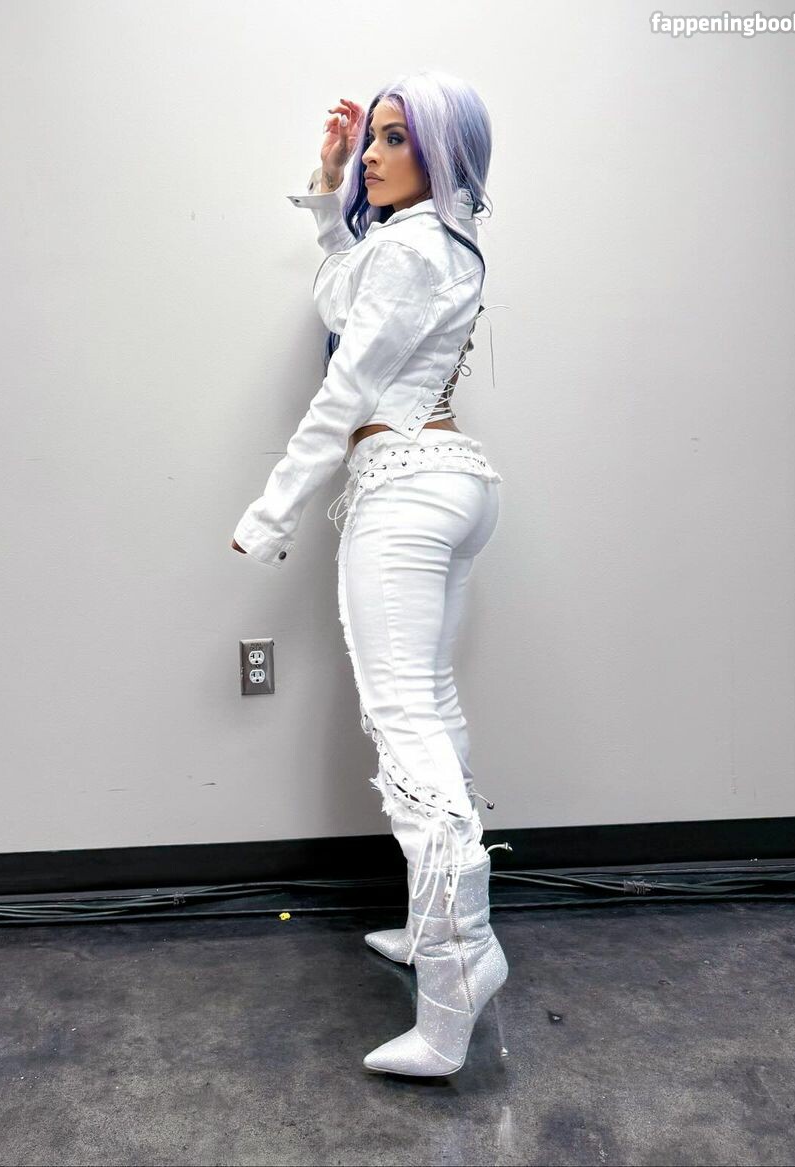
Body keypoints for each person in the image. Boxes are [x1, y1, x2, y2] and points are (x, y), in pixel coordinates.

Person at [231, 71, 511, 1079]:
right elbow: (346, 298)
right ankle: (445, 933)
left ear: (443, 151)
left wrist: (272, 509)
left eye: (397, 140)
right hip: (454, 481)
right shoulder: (441, 240)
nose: (375, 157)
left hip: (402, 488)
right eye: (374, 140)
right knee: (430, 709)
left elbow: (345, 384)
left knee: (406, 730)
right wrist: (330, 189)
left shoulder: (407, 246)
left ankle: (454, 979)